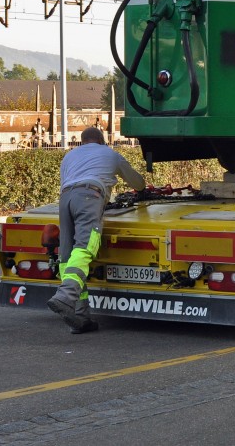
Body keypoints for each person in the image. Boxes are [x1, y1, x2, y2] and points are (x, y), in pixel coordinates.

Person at [47, 126, 145, 334]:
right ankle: (65, 295)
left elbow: (66, 182)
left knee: (67, 255)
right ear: (102, 140)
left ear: (82, 141)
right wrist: (142, 189)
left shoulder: (69, 156)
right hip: (89, 196)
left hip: (66, 199)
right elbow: (137, 182)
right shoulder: (110, 153)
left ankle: (80, 316)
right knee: (85, 247)